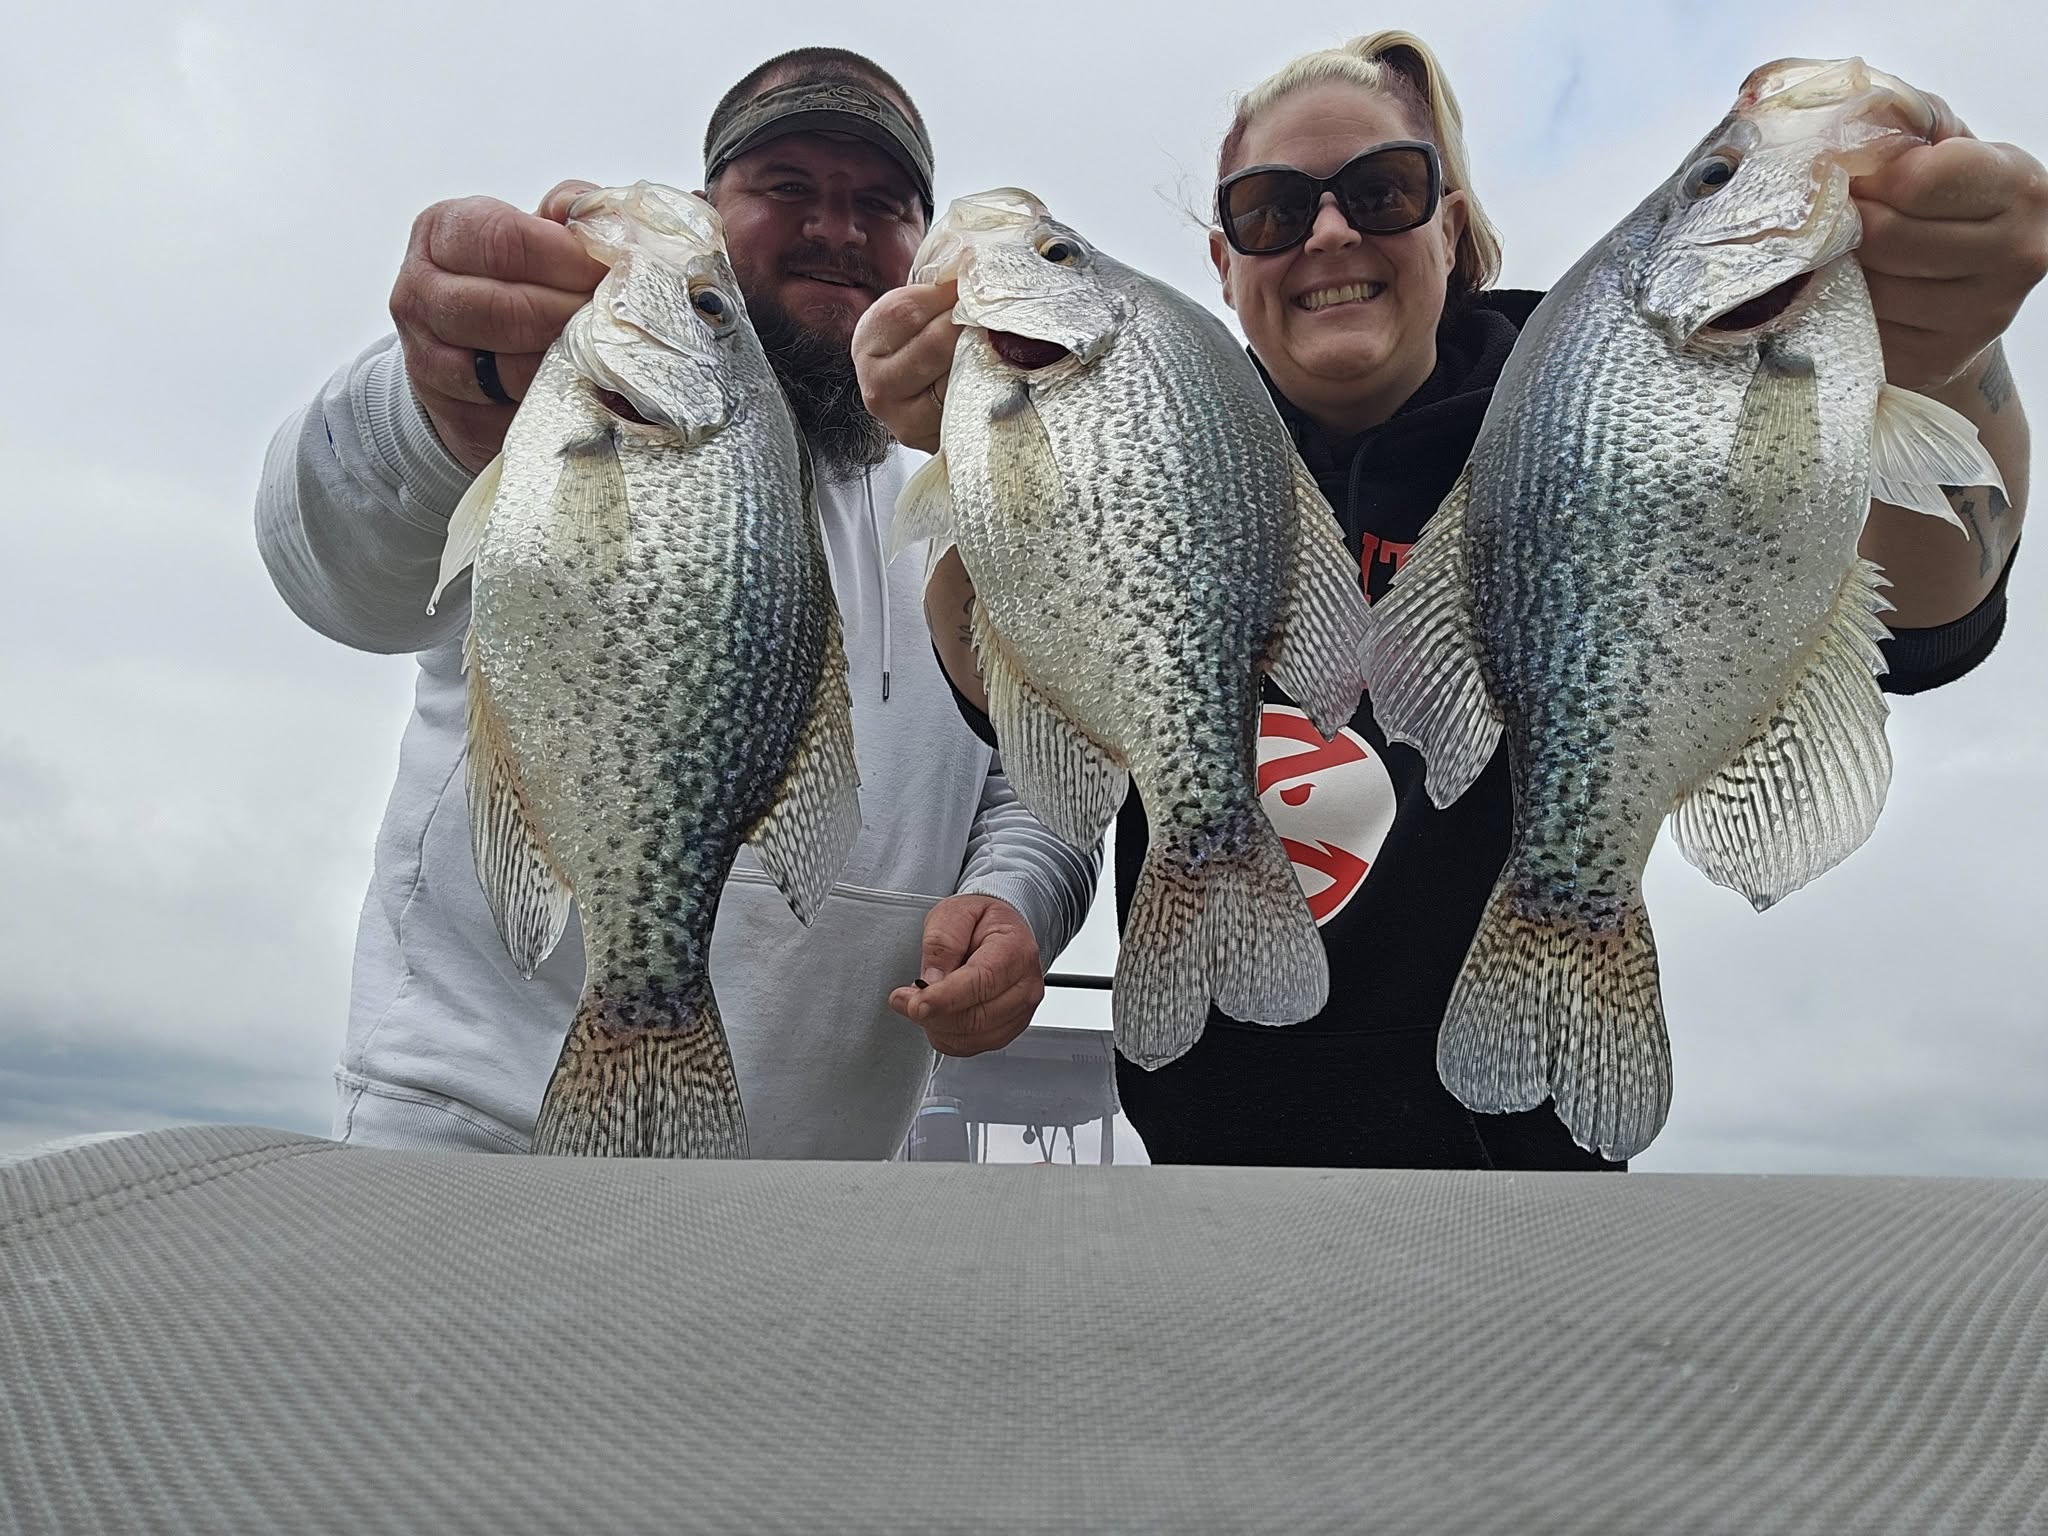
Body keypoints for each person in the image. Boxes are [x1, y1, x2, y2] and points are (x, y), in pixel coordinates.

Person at [853, 32, 2039, 1169]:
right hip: (1203, 1176)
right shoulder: (1156, 441)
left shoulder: (1582, 401)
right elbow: (1012, 702)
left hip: (1525, 1187)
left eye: (1381, 188)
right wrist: (973, 481)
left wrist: (1941, 351)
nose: (1325, 232)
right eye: (1270, 208)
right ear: (1222, 262)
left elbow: (1933, 614)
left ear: (1450, 224)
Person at [255, 47, 1098, 1158]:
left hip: (818, 1199)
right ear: (708, 211)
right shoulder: (542, 414)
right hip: (471, 1146)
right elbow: (339, 569)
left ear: (920, 253)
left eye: (880, 205)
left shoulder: (968, 505)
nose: (836, 231)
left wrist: (1016, 901)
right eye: (785, 186)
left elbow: (1037, 775)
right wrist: (432, 411)